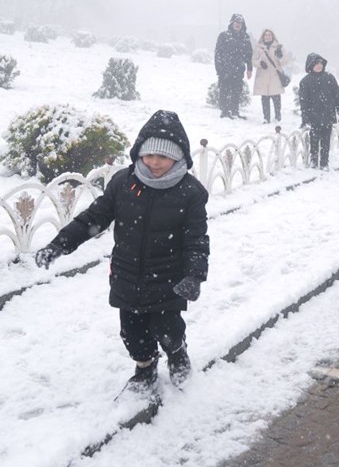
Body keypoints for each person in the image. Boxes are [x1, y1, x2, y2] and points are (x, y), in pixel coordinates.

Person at [33, 110, 210, 395]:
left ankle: (177, 353)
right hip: (127, 274)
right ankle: (145, 368)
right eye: (148, 155)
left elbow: (196, 240)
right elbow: (94, 218)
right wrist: (59, 245)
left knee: (168, 329)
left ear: (177, 159)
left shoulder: (190, 193)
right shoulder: (123, 183)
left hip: (169, 278)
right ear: (138, 153)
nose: (154, 162)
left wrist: (194, 275)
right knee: (132, 332)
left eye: (162, 157)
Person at [298, 53, 339, 169]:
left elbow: (337, 94)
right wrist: (305, 117)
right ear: (310, 65)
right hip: (314, 115)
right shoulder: (306, 81)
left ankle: (324, 162)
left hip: (328, 114)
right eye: (316, 64)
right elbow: (304, 101)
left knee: (326, 139)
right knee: (314, 139)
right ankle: (314, 160)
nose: (319, 66)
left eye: (320, 63)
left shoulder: (329, 77)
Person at [214, 14, 253, 119]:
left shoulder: (245, 37)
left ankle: (235, 111)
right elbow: (218, 54)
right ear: (231, 23)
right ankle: (225, 112)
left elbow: (249, 54)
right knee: (224, 91)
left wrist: (249, 68)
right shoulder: (223, 36)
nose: (237, 24)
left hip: (238, 70)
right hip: (225, 69)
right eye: (236, 22)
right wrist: (219, 69)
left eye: (240, 23)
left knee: (237, 91)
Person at [252, 28, 287, 124]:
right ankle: (266, 118)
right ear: (263, 36)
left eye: (269, 35)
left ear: (273, 36)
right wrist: (260, 63)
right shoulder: (258, 48)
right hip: (263, 76)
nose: (268, 36)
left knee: (276, 97)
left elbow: (285, 60)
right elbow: (253, 61)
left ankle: (278, 117)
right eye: (266, 35)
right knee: (265, 98)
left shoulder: (279, 47)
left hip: (275, 75)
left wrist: (280, 56)